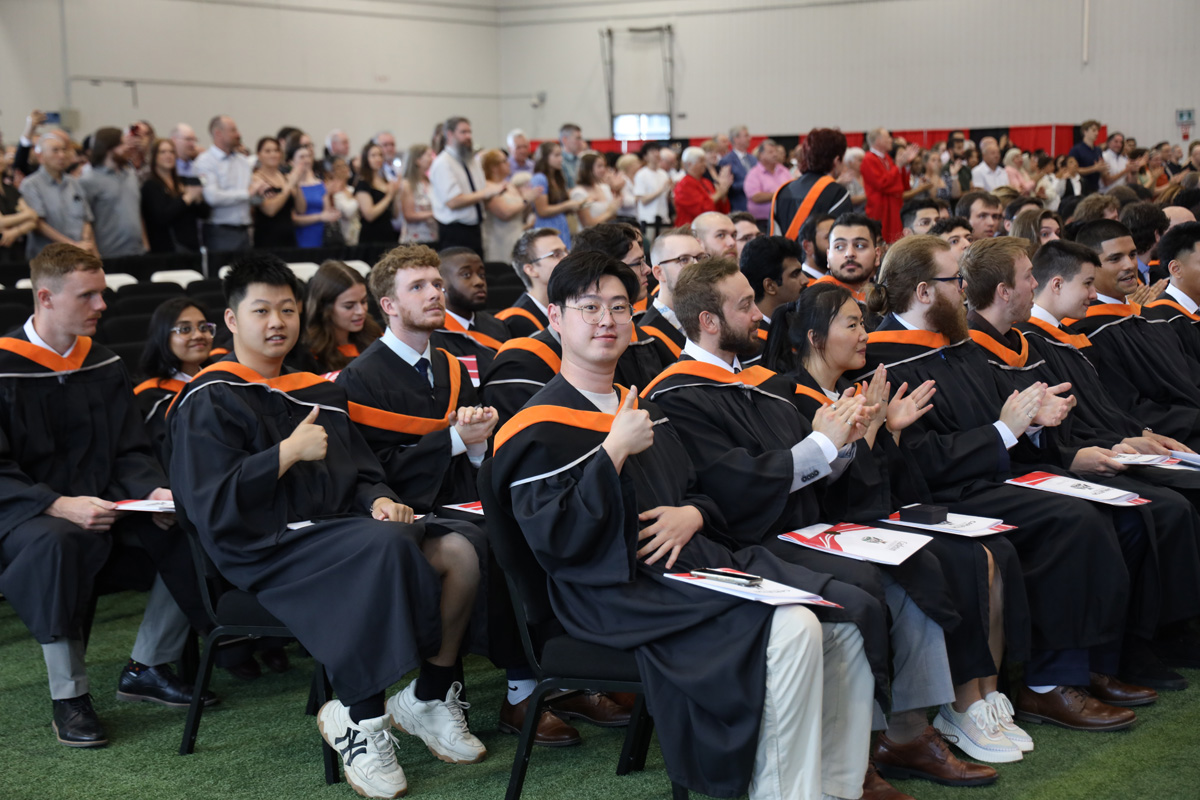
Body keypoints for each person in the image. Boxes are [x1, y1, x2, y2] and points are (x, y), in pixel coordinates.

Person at [491, 249, 878, 800]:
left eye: (620, 307)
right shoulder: (536, 427)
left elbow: (697, 490)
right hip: (611, 591)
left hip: (688, 563)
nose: (607, 320)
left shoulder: (638, 404)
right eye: (590, 307)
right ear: (555, 319)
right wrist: (609, 456)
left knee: (840, 621)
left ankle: (837, 787)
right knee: (792, 629)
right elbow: (557, 541)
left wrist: (693, 512)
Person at [651, 260, 1016, 778]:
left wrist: (851, 439)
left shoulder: (758, 381)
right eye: (744, 306)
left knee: (919, 563)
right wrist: (825, 442)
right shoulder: (677, 394)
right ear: (709, 321)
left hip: (807, 523)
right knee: (867, 585)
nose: (760, 314)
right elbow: (730, 481)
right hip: (751, 536)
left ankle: (909, 732)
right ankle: (854, 759)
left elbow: (815, 469)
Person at [168, 252, 486, 798]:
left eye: (287, 310)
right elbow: (206, 502)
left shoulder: (318, 390)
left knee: (459, 551)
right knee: (381, 549)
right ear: (231, 320)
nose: (276, 322)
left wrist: (379, 499)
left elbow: (362, 472)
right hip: (262, 544)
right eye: (261, 310)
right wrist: (284, 454)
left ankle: (430, 697)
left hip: (338, 529)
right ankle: (358, 720)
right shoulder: (210, 396)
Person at [861, 234, 1150, 730]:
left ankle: (1088, 666)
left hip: (993, 475)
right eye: (956, 281)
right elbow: (920, 458)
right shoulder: (885, 361)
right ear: (925, 292)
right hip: (944, 495)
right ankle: (1046, 685)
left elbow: (1003, 419)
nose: (967, 292)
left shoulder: (955, 343)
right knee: (1074, 520)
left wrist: (1035, 419)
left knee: (1116, 508)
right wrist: (1005, 430)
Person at [781, 283, 1034, 769]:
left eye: (862, 322)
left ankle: (983, 697)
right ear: (815, 337)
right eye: (852, 325)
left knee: (990, 549)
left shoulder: (848, 392)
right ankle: (954, 709)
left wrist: (887, 428)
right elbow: (836, 499)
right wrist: (876, 430)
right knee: (955, 559)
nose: (864, 334)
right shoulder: (791, 398)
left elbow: (889, 485)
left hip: (873, 518)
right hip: (825, 534)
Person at [1, 243, 213, 749]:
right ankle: (69, 696)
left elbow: (128, 449)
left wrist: (150, 491)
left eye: (103, 293)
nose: (102, 306)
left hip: (103, 502)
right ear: (46, 297)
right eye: (89, 296)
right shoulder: (5, 368)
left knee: (185, 521)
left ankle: (148, 664)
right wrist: (56, 503)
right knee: (58, 543)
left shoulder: (102, 361)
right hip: (25, 513)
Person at [966, 237, 1200, 690]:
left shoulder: (1025, 343)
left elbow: (1071, 418)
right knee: (1137, 513)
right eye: (1027, 278)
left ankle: (1118, 652)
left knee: (1151, 510)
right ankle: (1077, 670)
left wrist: (1123, 437)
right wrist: (1072, 453)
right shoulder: (973, 351)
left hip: (1056, 459)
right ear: (1004, 290)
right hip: (1002, 478)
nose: (1034, 286)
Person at [135, 297, 216, 460]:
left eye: (203, 327)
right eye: (185, 329)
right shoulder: (150, 400)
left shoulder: (220, 383)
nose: (199, 335)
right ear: (163, 335)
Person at [431, 247, 512, 383]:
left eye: (481, 275)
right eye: (466, 275)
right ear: (441, 284)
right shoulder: (433, 334)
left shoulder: (497, 325)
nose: (479, 282)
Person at [194, 115, 267, 252]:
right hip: (220, 231)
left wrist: (260, 193)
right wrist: (247, 193)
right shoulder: (206, 161)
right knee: (222, 272)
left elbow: (252, 198)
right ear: (218, 133)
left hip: (245, 230)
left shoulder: (242, 161)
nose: (238, 134)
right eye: (233, 130)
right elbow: (212, 197)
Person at [429, 117, 499, 256]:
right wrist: (486, 193)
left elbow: (480, 190)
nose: (468, 136)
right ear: (449, 134)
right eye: (463, 132)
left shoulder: (471, 160)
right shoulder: (443, 163)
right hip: (455, 230)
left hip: (476, 227)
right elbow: (453, 201)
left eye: (469, 132)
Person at [18, 133, 95, 258]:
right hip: (48, 259)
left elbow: (86, 218)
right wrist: (72, 245)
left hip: (79, 254)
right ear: (41, 157)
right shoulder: (30, 184)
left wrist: (84, 242)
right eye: (55, 151)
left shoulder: (74, 182)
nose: (62, 155)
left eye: (64, 150)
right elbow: (38, 224)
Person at [771, 128, 852, 241]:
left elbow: (774, 238)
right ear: (836, 160)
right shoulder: (837, 193)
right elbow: (840, 241)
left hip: (784, 257)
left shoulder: (782, 191)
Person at [78, 127, 146, 258]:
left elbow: (137, 211)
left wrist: (145, 244)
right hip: (108, 254)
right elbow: (86, 221)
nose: (127, 147)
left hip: (138, 251)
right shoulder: (89, 180)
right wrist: (94, 253)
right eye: (121, 144)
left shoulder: (131, 175)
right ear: (108, 148)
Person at [305, 260, 383, 374]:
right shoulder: (310, 353)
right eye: (349, 306)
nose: (361, 311)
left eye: (364, 301)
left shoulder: (375, 335)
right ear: (324, 307)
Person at [638, 229, 707, 356]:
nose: (697, 267)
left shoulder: (710, 318)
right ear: (659, 273)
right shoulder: (647, 337)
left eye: (700, 258)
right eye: (684, 260)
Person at [141, 138, 209, 253]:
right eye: (163, 152)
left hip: (191, 246)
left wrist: (198, 199)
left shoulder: (184, 181)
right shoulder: (151, 186)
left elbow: (205, 214)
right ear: (154, 157)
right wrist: (186, 198)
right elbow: (161, 217)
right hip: (166, 248)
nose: (168, 156)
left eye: (172, 152)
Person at [496, 227, 565, 336]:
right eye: (556, 255)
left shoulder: (570, 308)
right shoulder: (514, 323)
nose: (567, 258)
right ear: (531, 270)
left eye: (566, 251)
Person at [862, 128, 918, 244]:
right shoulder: (868, 159)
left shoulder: (886, 158)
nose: (891, 140)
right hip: (881, 208)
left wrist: (906, 165)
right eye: (888, 137)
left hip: (893, 205)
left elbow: (901, 185)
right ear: (878, 140)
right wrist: (898, 166)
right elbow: (882, 184)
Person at [739, 235, 808, 325]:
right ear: (770, 286)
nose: (805, 280)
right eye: (795, 274)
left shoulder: (794, 324)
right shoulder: (751, 336)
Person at [529, 141, 583, 248]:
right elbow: (542, 210)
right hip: (547, 228)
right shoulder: (540, 178)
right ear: (545, 157)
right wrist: (567, 205)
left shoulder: (557, 177)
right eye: (556, 155)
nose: (561, 159)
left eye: (561, 155)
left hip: (561, 226)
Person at [251, 137, 301, 249]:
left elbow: (301, 209)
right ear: (259, 154)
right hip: (268, 237)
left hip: (289, 236)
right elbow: (270, 210)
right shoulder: (256, 179)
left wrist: (297, 184)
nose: (273, 154)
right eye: (268, 151)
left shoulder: (285, 177)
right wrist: (288, 186)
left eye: (276, 150)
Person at [289, 143, 336, 249]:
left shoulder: (320, 184)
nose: (306, 160)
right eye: (301, 157)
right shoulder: (290, 185)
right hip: (301, 234)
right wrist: (320, 217)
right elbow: (293, 218)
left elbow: (326, 212)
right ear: (292, 162)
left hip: (320, 233)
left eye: (308, 156)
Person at [356, 141, 401, 245]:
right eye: (373, 155)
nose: (378, 159)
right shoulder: (363, 184)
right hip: (371, 236)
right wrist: (389, 197)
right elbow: (369, 215)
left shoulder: (385, 181)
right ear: (366, 159)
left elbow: (394, 214)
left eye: (380, 155)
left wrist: (396, 194)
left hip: (388, 233)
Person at [674, 146, 732, 227]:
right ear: (689, 164)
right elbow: (701, 210)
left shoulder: (706, 182)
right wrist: (719, 193)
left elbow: (720, 209)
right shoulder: (684, 185)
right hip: (691, 229)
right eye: (701, 161)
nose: (704, 164)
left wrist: (723, 194)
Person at [744, 140, 791, 229]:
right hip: (762, 222)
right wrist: (779, 194)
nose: (775, 154)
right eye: (770, 152)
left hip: (783, 219)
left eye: (776, 151)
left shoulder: (784, 170)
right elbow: (756, 197)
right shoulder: (754, 173)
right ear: (761, 155)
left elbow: (792, 188)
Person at [633, 144, 673, 245]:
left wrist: (670, 190)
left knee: (665, 245)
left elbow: (666, 198)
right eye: (652, 151)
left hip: (663, 217)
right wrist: (661, 190)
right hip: (648, 219)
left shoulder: (663, 173)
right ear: (645, 156)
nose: (656, 154)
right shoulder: (641, 174)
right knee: (649, 246)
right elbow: (642, 199)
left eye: (657, 151)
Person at [571, 152, 622, 229]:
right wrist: (609, 212)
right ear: (588, 168)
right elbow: (587, 224)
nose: (603, 169)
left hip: (608, 233)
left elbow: (613, 216)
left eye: (604, 166)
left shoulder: (605, 188)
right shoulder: (578, 193)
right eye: (599, 166)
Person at [400, 144, 438, 246]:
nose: (432, 159)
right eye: (429, 155)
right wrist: (435, 213)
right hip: (415, 238)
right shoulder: (408, 184)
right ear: (417, 160)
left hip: (432, 234)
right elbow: (409, 215)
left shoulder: (429, 182)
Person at [718, 125, 757, 212]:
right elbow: (728, 187)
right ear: (736, 139)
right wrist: (751, 186)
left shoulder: (753, 159)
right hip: (738, 208)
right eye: (746, 135)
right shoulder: (726, 161)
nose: (749, 138)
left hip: (756, 209)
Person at [324, 157, 361, 246]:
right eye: (339, 166)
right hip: (341, 237)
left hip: (356, 235)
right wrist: (357, 199)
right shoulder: (330, 191)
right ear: (331, 171)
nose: (345, 169)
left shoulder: (351, 189)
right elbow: (347, 212)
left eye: (345, 165)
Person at [1067, 120, 1108, 196]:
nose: (1097, 133)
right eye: (1093, 130)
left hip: (1095, 187)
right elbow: (1073, 170)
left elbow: (1099, 168)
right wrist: (1094, 168)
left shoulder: (1098, 150)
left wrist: (1103, 169)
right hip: (1081, 189)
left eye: (1097, 131)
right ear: (1085, 131)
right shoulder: (1076, 150)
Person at [558, 124, 585, 189]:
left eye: (581, 138)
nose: (581, 142)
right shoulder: (560, 162)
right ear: (565, 140)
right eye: (578, 138)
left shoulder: (581, 159)